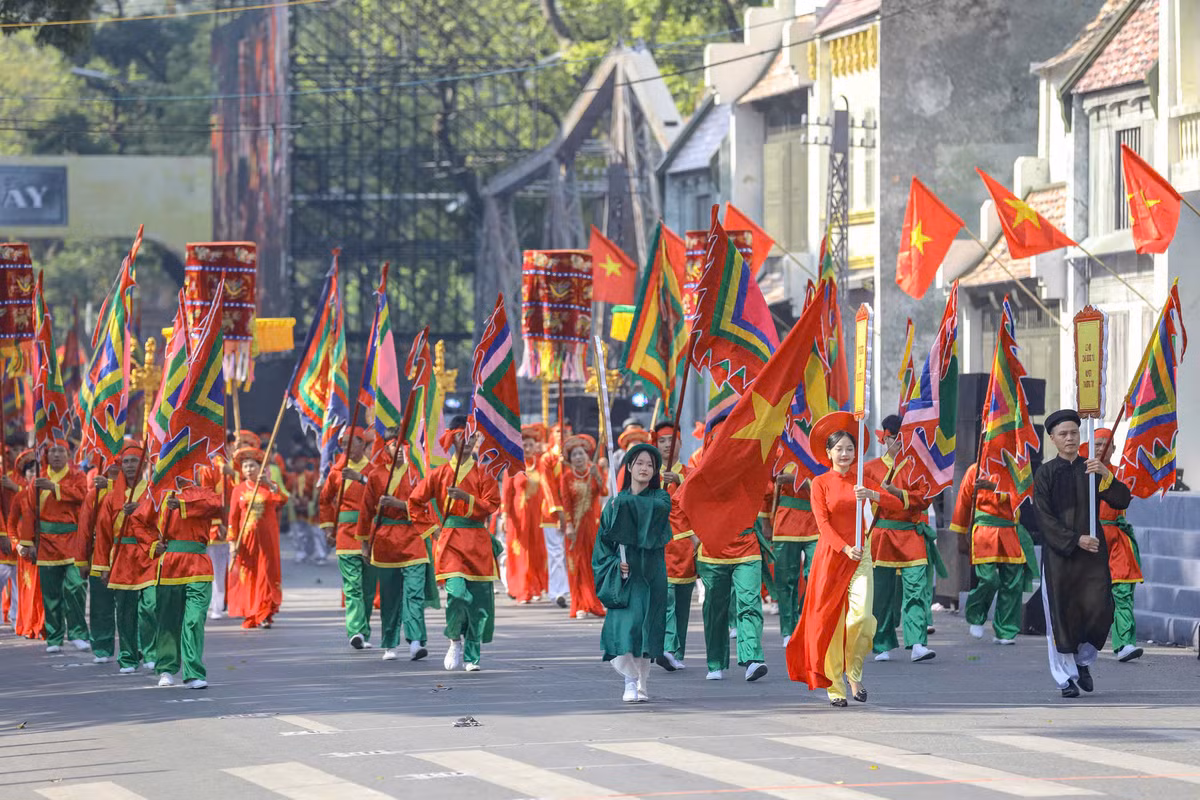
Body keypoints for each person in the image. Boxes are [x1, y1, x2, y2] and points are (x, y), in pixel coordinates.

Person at [785, 411, 904, 706]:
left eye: (850, 448)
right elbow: (823, 524)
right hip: (832, 556)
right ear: (828, 453)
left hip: (861, 555)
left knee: (861, 618)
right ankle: (836, 688)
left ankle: (854, 672)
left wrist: (872, 495)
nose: (845, 454)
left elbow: (897, 504)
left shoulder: (863, 479)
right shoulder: (820, 483)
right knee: (832, 623)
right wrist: (844, 548)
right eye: (839, 449)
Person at [1034, 409, 1131, 698]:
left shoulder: (1091, 470)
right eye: (1063, 434)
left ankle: (1084, 661)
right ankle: (1064, 678)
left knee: (1100, 610)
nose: (1070, 438)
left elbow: (1122, 499)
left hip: (1092, 557)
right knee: (1061, 617)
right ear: (1052, 438)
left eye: (1074, 433)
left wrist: (1106, 474)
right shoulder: (1045, 473)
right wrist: (1076, 540)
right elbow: (1043, 518)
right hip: (1060, 556)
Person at [409, 421, 501, 672]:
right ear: (453, 440)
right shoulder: (439, 474)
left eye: (471, 438)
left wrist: (466, 498)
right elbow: (414, 502)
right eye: (462, 437)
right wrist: (432, 529)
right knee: (457, 594)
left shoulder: (484, 473)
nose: (467, 442)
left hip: (478, 541)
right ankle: (454, 640)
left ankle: (472, 655)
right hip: (451, 542)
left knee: (479, 603)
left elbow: (492, 504)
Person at [688, 417, 769, 682]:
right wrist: (694, 538)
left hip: (746, 546)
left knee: (749, 601)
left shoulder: (750, 466)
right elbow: (683, 503)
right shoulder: (699, 473)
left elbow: (767, 483)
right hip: (713, 550)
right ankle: (715, 662)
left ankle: (752, 658)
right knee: (715, 608)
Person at [593, 442, 671, 702]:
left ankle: (642, 683)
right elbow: (603, 544)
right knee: (630, 626)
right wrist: (616, 563)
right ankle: (629, 681)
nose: (644, 468)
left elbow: (658, 512)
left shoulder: (660, 498)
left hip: (651, 572)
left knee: (646, 630)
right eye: (639, 463)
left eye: (650, 465)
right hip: (627, 575)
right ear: (628, 467)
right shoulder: (614, 503)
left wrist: (625, 504)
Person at [865, 415, 940, 663]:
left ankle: (917, 643)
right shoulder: (871, 468)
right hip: (883, 535)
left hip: (911, 533)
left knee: (916, 588)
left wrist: (899, 493)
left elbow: (926, 497)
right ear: (884, 438)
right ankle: (882, 644)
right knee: (882, 593)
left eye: (903, 438)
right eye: (894, 438)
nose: (898, 443)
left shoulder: (919, 467)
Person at [140, 475, 224, 688]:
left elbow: (217, 505)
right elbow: (139, 522)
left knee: (194, 619)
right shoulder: (159, 495)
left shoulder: (203, 492)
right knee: (168, 619)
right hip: (170, 564)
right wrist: (152, 544)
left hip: (198, 565)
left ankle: (193, 672)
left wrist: (183, 503)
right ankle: (166, 668)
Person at [358, 431, 431, 662]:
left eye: (402, 446)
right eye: (393, 446)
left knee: (414, 594)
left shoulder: (416, 473)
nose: (398, 450)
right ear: (386, 449)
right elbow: (366, 511)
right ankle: (390, 643)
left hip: (413, 539)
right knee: (389, 597)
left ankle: (416, 641)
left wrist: (400, 504)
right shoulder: (376, 475)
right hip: (385, 542)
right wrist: (364, 544)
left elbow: (425, 507)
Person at [17, 439, 91, 654]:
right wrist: (28, 542)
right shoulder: (38, 479)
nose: (57, 455)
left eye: (61, 451)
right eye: (53, 452)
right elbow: (29, 512)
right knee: (50, 593)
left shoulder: (77, 476)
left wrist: (55, 488)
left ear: (68, 455)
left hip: (72, 540)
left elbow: (83, 496)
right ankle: (55, 637)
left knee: (76, 588)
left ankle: (78, 634)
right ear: (46, 456)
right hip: (47, 543)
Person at [950, 462, 1034, 646]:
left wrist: (994, 487)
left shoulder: (1016, 469)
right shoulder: (975, 470)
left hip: (1009, 529)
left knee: (1012, 582)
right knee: (989, 579)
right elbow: (963, 504)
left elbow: (1023, 494)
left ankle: (1006, 630)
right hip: (984, 531)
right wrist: (960, 535)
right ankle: (976, 616)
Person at [97, 442, 156, 673]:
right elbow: (103, 534)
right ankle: (128, 657)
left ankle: (151, 652)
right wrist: (102, 566)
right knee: (124, 611)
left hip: (147, 555)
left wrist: (141, 510)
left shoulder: (153, 492)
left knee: (151, 606)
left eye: (135, 461)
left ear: (144, 464)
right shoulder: (111, 497)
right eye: (127, 462)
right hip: (121, 558)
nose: (130, 465)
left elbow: (161, 522)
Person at [319, 428, 378, 650]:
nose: (347, 448)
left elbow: (380, 494)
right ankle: (355, 631)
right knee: (352, 586)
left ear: (363, 444)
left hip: (369, 534)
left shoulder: (374, 471)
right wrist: (328, 529)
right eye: (343, 444)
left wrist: (360, 479)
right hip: (345, 534)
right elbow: (325, 500)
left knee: (368, 588)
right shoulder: (336, 472)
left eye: (352, 443)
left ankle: (364, 630)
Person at [1090, 428, 1143, 663]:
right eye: (1097, 444)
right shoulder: (1080, 473)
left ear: (1114, 448)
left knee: (1123, 592)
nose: (1102, 448)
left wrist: (1106, 475)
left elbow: (1124, 497)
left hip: (1118, 539)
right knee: (1091, 595)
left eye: (1106, 444)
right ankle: (1083, 642)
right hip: (1092, 539)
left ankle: (1124, 644)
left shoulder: (1123, 473)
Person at [228, 447, 286, 630]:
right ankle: (252, 611)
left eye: (252, 466)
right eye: (245, 466)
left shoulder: (269, 486)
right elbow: (232, 518)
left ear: (260, 467)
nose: (248, 469)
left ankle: (264, 613)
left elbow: (282, 499)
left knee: (266, 574)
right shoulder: (238, 490)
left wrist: (268, 483)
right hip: (246, 541)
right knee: (249, 575)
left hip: (268, 539)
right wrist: (232, 544)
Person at [654, 424, 696, 672]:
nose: (667, 445)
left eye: (672, 440)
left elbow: (701, 499)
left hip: (685, 545)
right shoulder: (649, 475)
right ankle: (667, 647)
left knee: (682, 603)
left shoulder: (690, 473)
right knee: (666, 598)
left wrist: (679, 481)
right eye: (662, 441)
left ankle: (676, 653)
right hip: (660, 546)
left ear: (680, 443)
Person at [763, 457, 817, 647]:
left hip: (816, 521)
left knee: (816, 576)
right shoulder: (780, 453)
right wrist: (765, 521)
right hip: (786, 522)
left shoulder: (821, 452)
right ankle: (789, 630)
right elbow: (766, 487)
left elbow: (827, 483)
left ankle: (813, 625)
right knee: (785, 579)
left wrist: (797, 480)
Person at [500, 425, 549, 603]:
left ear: (536, 446)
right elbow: (506, 493)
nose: (527, 448)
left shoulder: (541, 465)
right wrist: (504, 516)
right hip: (518, 516)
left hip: (537, 516)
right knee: (520, 551)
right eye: (524, 445)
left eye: (530, 445)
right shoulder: (513, 466)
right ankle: (521, 589)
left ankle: (535, 586)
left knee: (537, 551)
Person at [561, 434, 607, 619]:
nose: (578, 457)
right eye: (574, 455)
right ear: (570, 459)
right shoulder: (566, 477)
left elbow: (604, 492)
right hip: (575, 528)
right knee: (577, 565)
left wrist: (598, 476)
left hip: (592, 526)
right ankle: (580, 604)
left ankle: (593, 603)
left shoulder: (594, 472)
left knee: (592, 564)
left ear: (587, 455)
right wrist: (569, 526)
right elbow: (565, 503)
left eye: (581, 453)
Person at [84, 457, 122, 664]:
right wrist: (82, 560)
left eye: (121, 460)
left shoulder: (140, 492)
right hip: (99, 553)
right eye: (112, 461)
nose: (116, 464)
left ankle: (137, 648)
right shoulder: (95, 493)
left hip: (130, 555)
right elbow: (84, 528)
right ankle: (101, 647)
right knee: (100, 605)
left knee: (132, 606)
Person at [7, 450, 44, 639]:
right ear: (25, 475)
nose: (34, 474)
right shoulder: (20, 497)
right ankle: (29, 625)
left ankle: (44, 627)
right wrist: (18, 545)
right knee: (28, 591)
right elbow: (11, 524)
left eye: (37, 470)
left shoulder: (48, 494)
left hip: (47, 550)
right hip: (26, 553)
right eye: (30, 471)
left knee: (45, 591)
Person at [538, 422, 573, 608]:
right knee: (556, 554)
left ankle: (575, 589)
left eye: (565, 431)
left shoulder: (574, 457)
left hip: (575, 512)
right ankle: (558, 592)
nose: (562, 434)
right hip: (553, 515)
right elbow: (548, 488)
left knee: (574, 554)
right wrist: (559, 514)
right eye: (559, 431)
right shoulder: (547, 458)